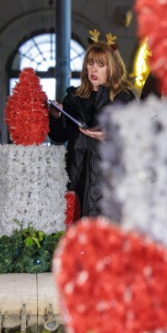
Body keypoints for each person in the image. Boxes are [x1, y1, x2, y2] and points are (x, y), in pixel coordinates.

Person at [48, 31, 135, 217]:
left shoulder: (123, 100)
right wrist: (56, 116)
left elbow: (137, 139)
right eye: (90, 63)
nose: (93, 70)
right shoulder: (73, 99)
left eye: (100, 65)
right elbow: (58, 137)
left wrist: (111, 136)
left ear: (111, 68)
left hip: (109, 180)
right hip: (76, 177)